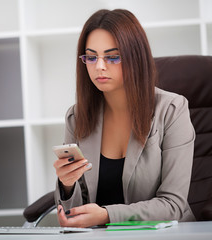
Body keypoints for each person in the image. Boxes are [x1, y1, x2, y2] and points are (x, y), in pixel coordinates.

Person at [53, 9, 196, 228]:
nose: (99, 66)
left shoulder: (172, 110)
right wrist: (67, 186)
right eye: (91, 57)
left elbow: (173, 205)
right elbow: (76, 210)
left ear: (135, 57)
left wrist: (107, 215)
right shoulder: (77, 117)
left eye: (113, 56)